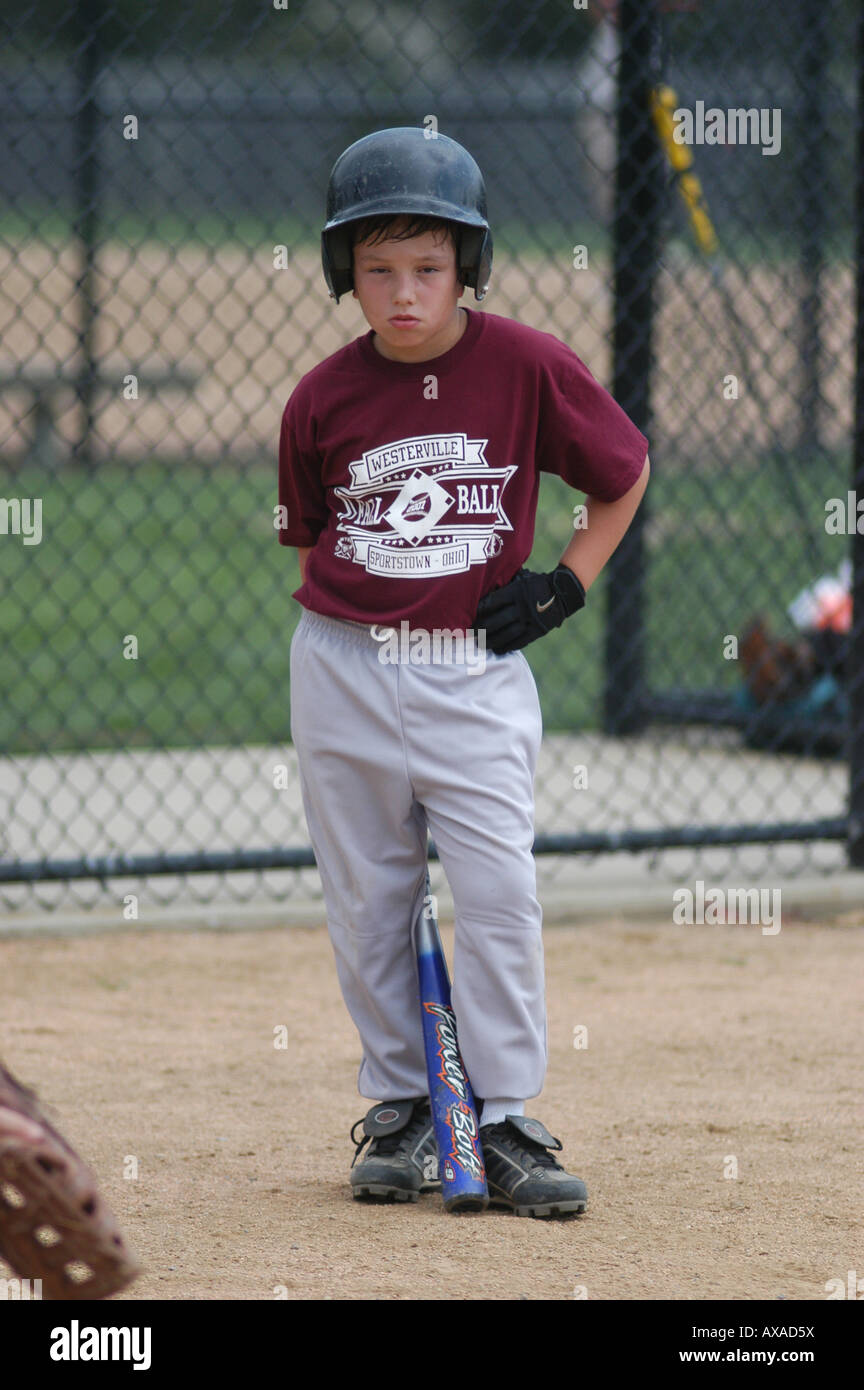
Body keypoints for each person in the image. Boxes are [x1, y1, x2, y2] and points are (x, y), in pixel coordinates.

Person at [278, 127, 649, 1218]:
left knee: (498, 891)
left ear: (467, 267)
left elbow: (621, 476)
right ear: (346, 268)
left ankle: (506, 1118)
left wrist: (566, 586)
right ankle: (401, 1105)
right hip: (342, 668)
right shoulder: (319, 396)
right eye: (378, 268)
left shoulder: (526, 365)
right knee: (368, 898)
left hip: (472, 672)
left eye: (428, 268)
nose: (403, 293)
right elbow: (312, 540)